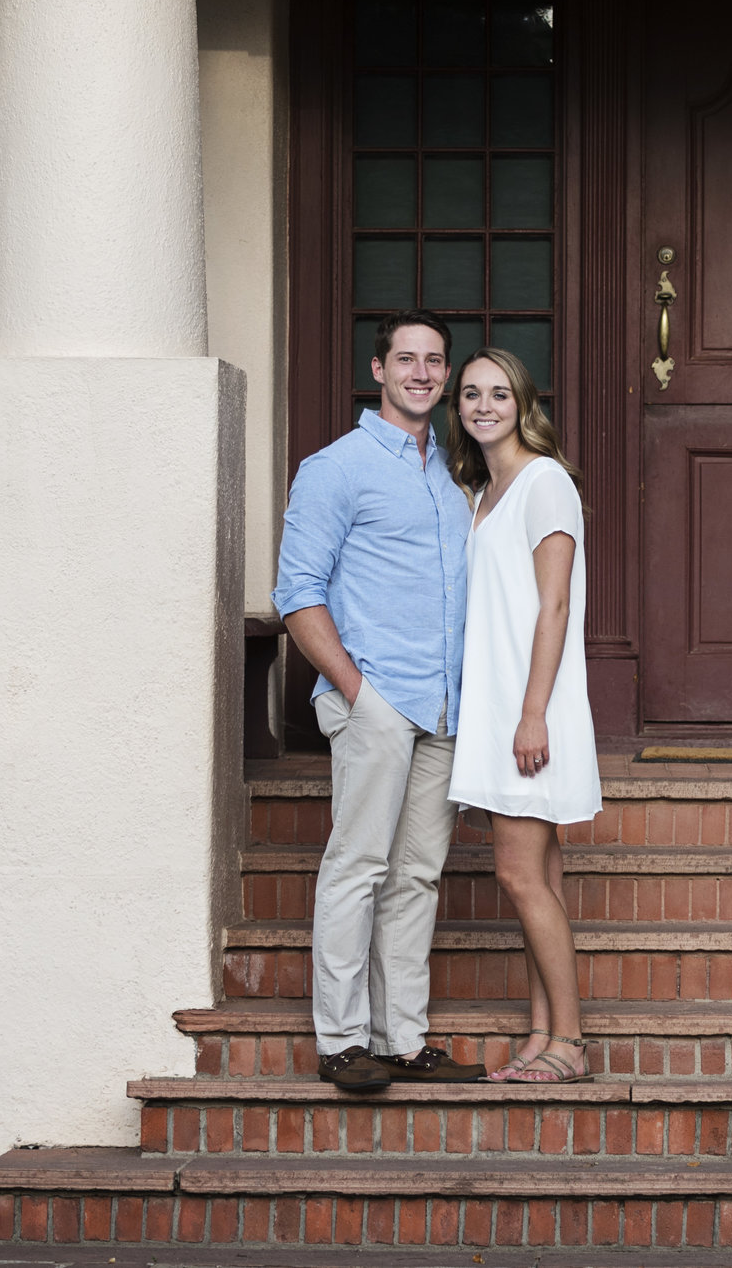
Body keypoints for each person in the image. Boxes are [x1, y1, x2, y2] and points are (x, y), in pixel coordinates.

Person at [272, 310, 487, 1092]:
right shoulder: (336, 467)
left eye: (435, 361)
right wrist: (360, 694)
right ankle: (341, 1042)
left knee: (417, 873)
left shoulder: (454, 473)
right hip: (380, 699)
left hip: (444, 707)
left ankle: (403, 1041)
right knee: (359, 865)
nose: (422, 373)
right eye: (407, 359)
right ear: (378, 369)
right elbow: (298, 595)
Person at [444, 348, 602, 1083]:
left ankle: (570, 1043)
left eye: (498, 393)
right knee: (537, 876)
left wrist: (533, 712)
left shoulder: (544, 483)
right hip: (499, 704)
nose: (482, 405)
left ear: (523, 404)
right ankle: (542, 1033)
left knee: (518, 874)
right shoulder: (483, 489)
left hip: (530, 709)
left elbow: (556, 604)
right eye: (471, 393)